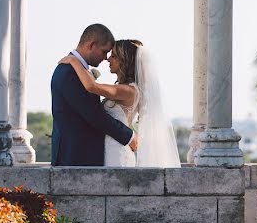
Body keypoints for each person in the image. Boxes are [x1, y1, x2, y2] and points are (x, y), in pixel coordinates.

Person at [59, 38, 182, 168]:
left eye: (114, 56)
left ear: (125, 61)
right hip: (110, 149)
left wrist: (73, 61)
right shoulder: (126, 88)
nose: (108, 59)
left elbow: (91, 86)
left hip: (116, 152)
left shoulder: (128, 90)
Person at [50, 24, 137, 166]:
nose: (106, 58)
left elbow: (92, 93)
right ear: (91, 45)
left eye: (111, 55)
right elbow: (94, 115)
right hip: (75, 157)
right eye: (104, 52)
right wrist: (129, 136)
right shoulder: (69, 72)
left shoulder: (76, 69)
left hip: (88, 155)